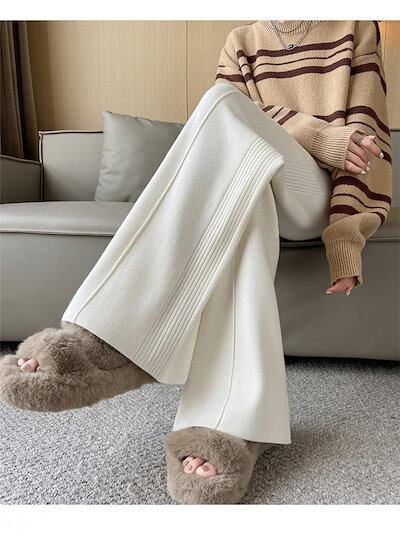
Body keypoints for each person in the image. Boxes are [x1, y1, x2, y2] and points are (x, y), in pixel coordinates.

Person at [0, 20, 392, 504]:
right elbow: (234, 128)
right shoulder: (242, 41)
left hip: (312, 188)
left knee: (221, 101)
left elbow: (368, 140)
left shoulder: (355, 27)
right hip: (258, 181)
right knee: (241, 180)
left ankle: (113, 339)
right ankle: (232, 423)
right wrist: (314, 130)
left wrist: (346, 233)